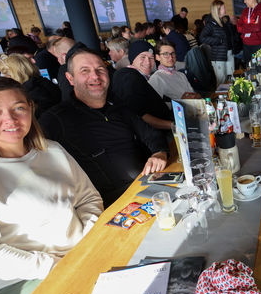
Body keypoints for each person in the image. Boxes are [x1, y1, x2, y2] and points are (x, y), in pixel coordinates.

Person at [0, 75, 102, 294]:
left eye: (19, 108)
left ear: (30, 109)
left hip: (82, 255)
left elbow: (88, 199)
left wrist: (88, 239)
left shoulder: (52, 150)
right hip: (22, 280)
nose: (10, 119)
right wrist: (58, 265)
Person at [39, 48, 169, 207]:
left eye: (100, 69)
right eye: (85, 71)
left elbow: (151, 134)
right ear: (70, 78)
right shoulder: (55, 119)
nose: (95, 76)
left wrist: (159, 152)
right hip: (110, 206)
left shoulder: (118, 105)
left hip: (147, 187)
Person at [111, 40, 174, 130]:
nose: (148, 62)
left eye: (151, 58)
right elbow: (140, 115)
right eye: (143, 57)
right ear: (133, 59)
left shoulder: (138, 76)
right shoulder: (129, 77)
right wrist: (173, 126)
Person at [0, 54, 60, 118]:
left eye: (4, 72)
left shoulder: (28, 94)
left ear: (15, 74)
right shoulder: (42, 82)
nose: (1, 76)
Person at [237, 0, 261, 66]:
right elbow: (239, 28)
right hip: (247, 45)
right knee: (249, 69)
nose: (244, 2)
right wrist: (253, 25)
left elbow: (258, 27)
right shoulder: (245, 11)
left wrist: (245, 27)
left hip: (260, 45)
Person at [200, 0, 230, 83]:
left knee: (225, 81)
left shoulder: (221, 22)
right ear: (218, 10)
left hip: (223, 55)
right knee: (221, 82)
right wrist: (219, 40)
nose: (225, 9)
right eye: (223, 8)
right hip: (217, 57)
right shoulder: (210, 24)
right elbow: (202, 38)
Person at [51, 37, 77, 101]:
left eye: (57, 57)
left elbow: (67, 99)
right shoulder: (92, 56)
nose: (58, 60)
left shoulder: (65, 70)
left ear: (64, 56)